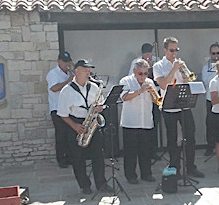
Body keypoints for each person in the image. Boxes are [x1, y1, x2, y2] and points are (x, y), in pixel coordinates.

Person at [153, 37, 205, 178]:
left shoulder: (180, 64)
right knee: (172, 138)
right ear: (165, 50)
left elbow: (190, 80)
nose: (174, 53)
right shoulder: (158, 66)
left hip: (184, 105)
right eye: (171, 50)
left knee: (190, 136)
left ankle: (191, 167)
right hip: (169, 107)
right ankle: (174, 167)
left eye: (176, 50)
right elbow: (163, 85)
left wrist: (184, 74)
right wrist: (173, 69)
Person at [57, 59, 110, 194]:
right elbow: (62, 114)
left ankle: (101, 184)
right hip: (76, 124)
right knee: (78, 158)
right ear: (77, 71)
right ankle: (84, 185)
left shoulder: (94, 87)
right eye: (85, 70)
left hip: (92, 122)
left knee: (98, 155)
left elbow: (101, 104)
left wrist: (99, 108)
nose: (88, 73)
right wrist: (75, 126)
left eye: (89, 70)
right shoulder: (66, 91)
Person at [120, 59, 157, 184]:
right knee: (130, 152)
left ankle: (146, 174)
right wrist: (140, 91)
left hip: (146, 121)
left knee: (146, 151)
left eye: (145, 73)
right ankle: (131, 176)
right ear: (134, 71)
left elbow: (156, 101)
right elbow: (124, 97)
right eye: (140, 73)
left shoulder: (150, 82)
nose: (143, 76)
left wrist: (152, 92)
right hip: (130, 122)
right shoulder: (126, 81)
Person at [128, 43, 160, 159]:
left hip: (153, 94)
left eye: (150, 53)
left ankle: (153, 150)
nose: (148, 55)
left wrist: (153, 67)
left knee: (154, 124)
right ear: (142, 54)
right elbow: (131, 78)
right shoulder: (136, 62)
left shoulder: (157, 60)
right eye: (146, 53)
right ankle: (141, 152)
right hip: (139, 97)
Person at [46, 51, 74, 168]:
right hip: (57, 109)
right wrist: (68, 81)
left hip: (69, 109)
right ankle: (61, 159)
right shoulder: (53, 74)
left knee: (69, 134)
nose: (67, 64)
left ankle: (69, 157)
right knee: (61, 135)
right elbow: (54, 88)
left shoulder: (69, 74)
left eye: (68, 62)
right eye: (64, 62)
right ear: (59, 61)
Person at [201, 43, 219, 156]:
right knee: (211, 123)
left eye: (218, 53)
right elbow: (206, 81)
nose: (216, 55)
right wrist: (217, 72)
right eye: (214, 53)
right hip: (211, 99)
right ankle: (210, 147)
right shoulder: (206, 67)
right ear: (210, 54)